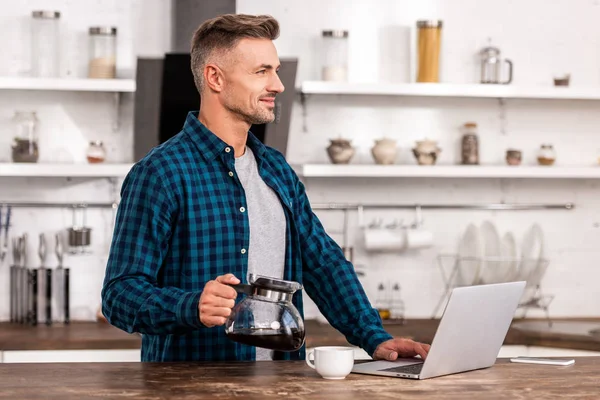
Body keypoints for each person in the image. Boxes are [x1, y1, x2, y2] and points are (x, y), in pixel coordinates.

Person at [101, 13, 430, 362]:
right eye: (262, 72)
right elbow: (120, 295)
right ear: (215, 77)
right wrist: (190, 305)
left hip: (281, 383)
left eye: (275, 70)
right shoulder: (160, 173)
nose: (278, 85)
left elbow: (324, 264)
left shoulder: (276, 169)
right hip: (193, 387)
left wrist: (374, 337)